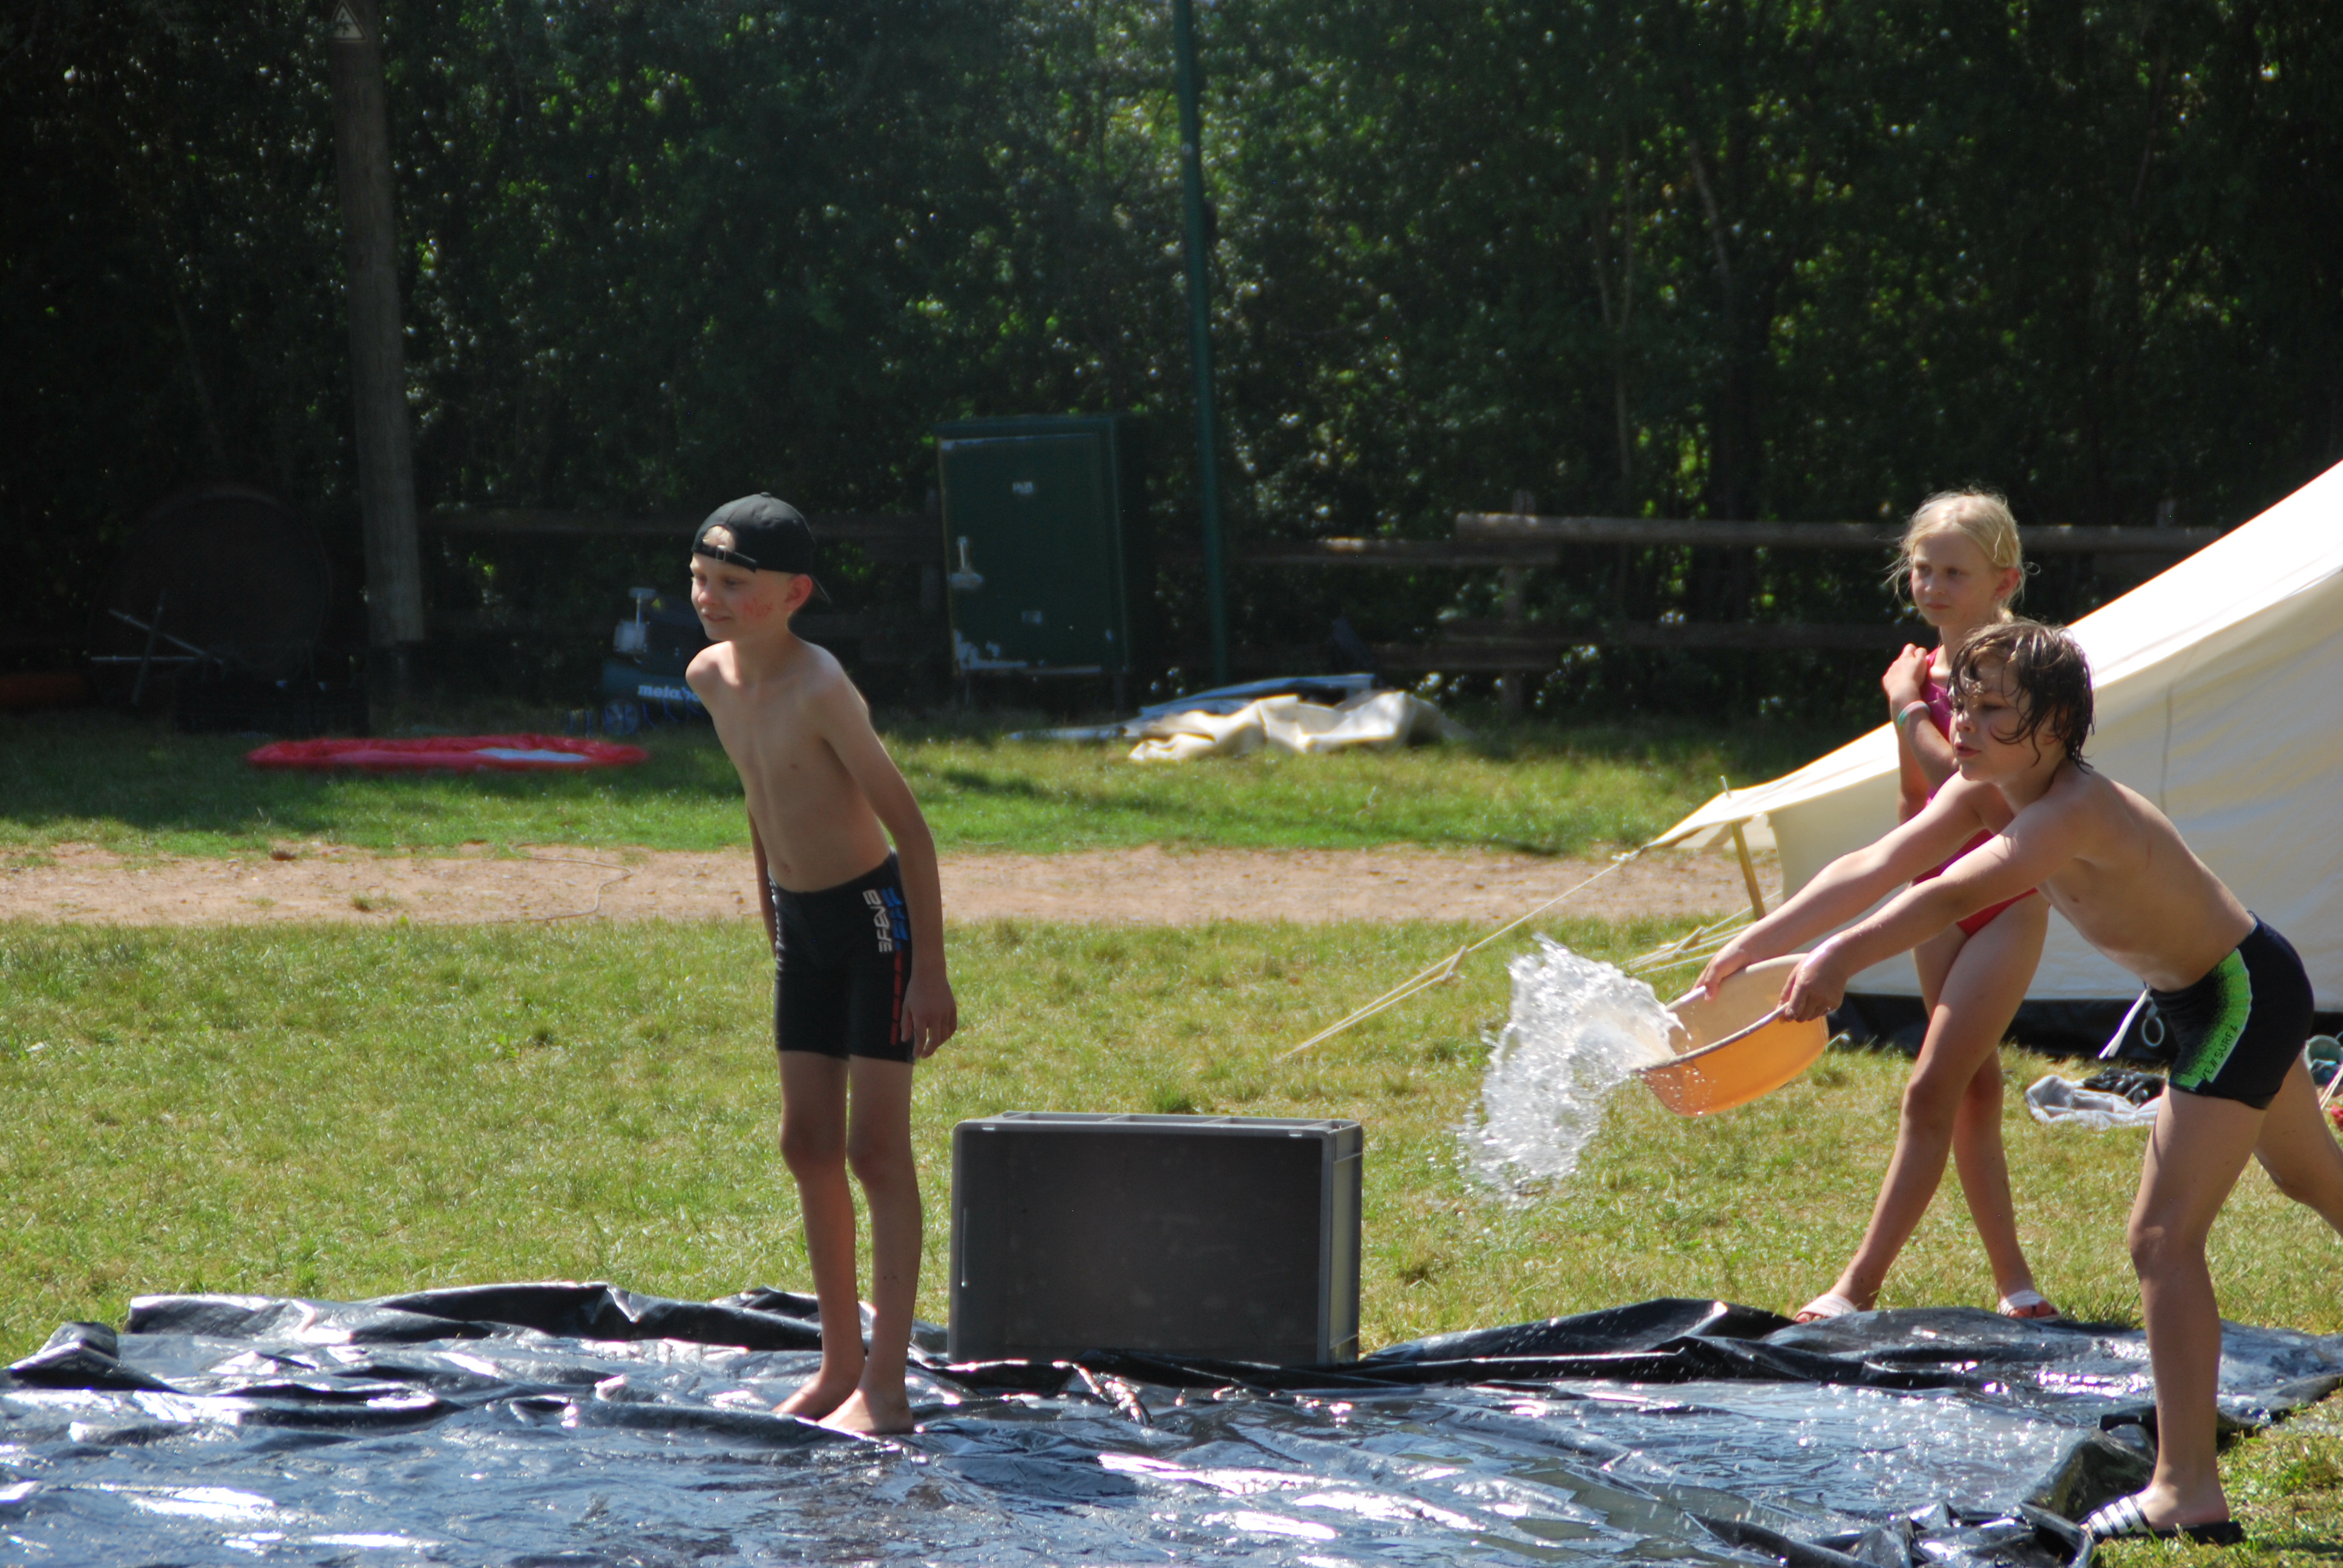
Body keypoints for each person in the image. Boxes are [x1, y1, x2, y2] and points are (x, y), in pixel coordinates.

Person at [1696, 619, 2343, 1544]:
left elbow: (1952, 894)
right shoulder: (1987, 789)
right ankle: (2186, 1483)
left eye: (1992, 708)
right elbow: (1879, 863)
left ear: (2057, 726)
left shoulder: (2074, 808)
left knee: (2161, 1239)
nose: (1962, 722)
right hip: (2223, 993)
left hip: (2237, 996)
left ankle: (2186, 1488)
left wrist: (1836, 958)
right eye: (1960, 702)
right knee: (2316, 1180)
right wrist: (1756, 944)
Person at [685, 493, 958, 1436]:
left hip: (876, 922)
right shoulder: (709, 678)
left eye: (734, 584)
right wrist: (769, 903)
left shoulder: (821, 686)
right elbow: (760, 793)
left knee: (873, 1150)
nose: (710, 598)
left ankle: (888, 1385)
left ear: (793, 594)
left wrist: (931, 971)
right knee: (805, 1144)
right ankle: (838, 1364)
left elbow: (911, 832)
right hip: (802, 926)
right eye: (700, 579)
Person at [1795, 492, 2056, 1323]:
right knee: (1973, 1090)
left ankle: (1856, 1286)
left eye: (1955, 573)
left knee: (1930, 1088)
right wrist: (1898, 876)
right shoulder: (1921, 674)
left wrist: (1909, 707)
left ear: (2003, 581)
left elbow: (1975, 792)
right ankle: (2017, 1287)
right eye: (1922, 570)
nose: (1934, 587)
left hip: (2004, 898)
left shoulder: (2017, 668)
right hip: (1935, 899)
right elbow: (1917, 803)